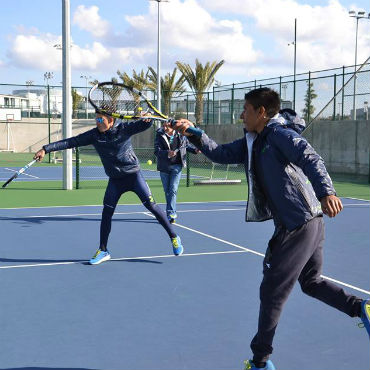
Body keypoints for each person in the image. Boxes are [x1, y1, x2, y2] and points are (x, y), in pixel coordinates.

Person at [171, 87, 370, 370]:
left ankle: (260, 361)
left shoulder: (279, 135)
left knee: (272, 292)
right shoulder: (253, 140)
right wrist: (194, 131)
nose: (241, 115)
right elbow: (221, 153)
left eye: (246, 109)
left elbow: (309, 157)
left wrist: (326, 191)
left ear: (261, 112)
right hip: (307, 223)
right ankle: (360, 307)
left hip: (299, 224)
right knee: (311, 283)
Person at [34, 113, 184, 265]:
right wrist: (45, 149)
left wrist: (148, 119)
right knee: (106, 213)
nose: (97, 122)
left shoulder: (124, 129)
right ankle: (103, 250)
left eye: (101, 119)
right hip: (115, 180)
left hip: (133, 176)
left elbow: (143, 125)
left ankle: (174, 237)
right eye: (96, 119)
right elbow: (71, 142)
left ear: (111, 121)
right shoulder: (94, 135)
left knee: (151, 206)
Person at [154, 121, 199, 223]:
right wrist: (167, 153)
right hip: (164, 167)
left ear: (173, 127)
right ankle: (169, 212)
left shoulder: (180, 135)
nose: (165, 127)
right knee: (167, 191)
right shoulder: (159, 135)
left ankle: (171, 213)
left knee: (173, 189)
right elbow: (156, 151)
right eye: (164, 125)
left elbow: (186, 146)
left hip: (177, 166)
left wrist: (194, 151)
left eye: (167, 126)